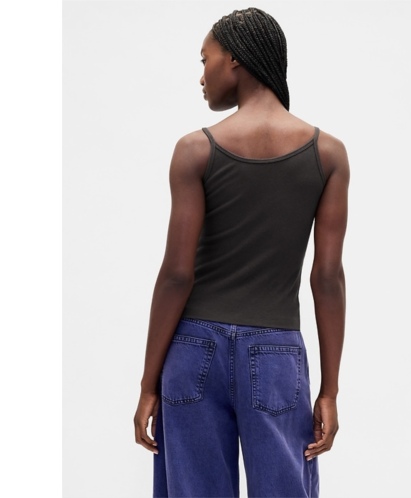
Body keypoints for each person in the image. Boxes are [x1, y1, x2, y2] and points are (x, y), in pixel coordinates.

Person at [133, 7, 350, 498]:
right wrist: (330, 390)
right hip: (276, 357)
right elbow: (327, 277)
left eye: (204, 59)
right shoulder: (328, 154)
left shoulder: (196, 150)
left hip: (193, 351)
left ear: (234, 59)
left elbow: (176, 275)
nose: (201, 76)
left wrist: (148, 383)